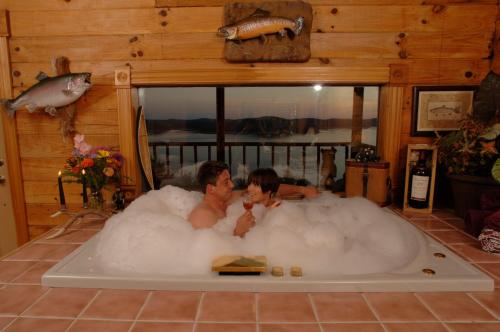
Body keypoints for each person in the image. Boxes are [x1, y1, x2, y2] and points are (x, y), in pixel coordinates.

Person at [188, 161, 318, 237]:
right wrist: (237, 233)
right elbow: (212, 254)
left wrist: (303, 190)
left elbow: (266, 187)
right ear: (211, 189)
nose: (232, 185)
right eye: (226, 182)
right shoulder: (202, 216)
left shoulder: (230, 198)